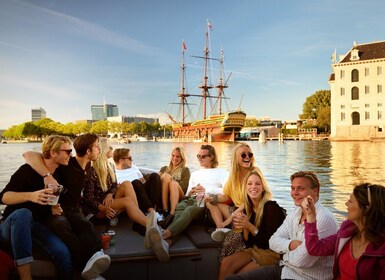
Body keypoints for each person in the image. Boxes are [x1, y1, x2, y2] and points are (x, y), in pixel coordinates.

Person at [23, 133, 111, 280]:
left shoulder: (89, 166)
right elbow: (28, 154)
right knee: (61, 224)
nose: (100, 150)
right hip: (56, 210)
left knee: (85, 225)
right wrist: (47, 176)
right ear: (88, 151)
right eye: (97, 148)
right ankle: (87, 267)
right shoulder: (67, 163)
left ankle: (95, 258)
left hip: (74, 209)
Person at [225, 171, 339, 280]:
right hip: (286, 270)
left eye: (301, 188)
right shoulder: (296, 212)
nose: (295, 193)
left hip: (306, 277)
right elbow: (273, 241)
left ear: (315, 191)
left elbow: (301, 261)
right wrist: (290, 244)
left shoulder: (323, 219)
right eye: (293, 188)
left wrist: (284, 255)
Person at [0, 135, 73, 280]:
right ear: (53, 153)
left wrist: (54, 209)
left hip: (37, 225)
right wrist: (30, 196)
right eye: (68, 151)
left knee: (62, 254)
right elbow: (3, 197)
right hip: (12, 225)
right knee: (23, 213)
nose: (71, 154)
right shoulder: (27, 171)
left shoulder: (59, 173)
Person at [302, 183, 385, 280]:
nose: (346, 204)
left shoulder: (381, 250)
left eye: (350, 201)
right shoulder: (347, 232)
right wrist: (311, 216)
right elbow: (315, 248)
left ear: (367, 208)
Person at [218, 169, 286, 280]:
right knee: (226, 263)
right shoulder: (248, 208)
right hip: (255, 249)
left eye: (257, 184)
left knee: (238, 275)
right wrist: (243, 227)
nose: (253, 187)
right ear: (245, 188)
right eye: (249, 184)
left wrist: (248, 225)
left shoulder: (271, 207)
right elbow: (248, 243)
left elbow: (268, 243)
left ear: (263, 187)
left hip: (272, 253)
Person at [161, 144, 229, 246]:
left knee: (190, 210)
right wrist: (190, 192)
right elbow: (187, 193)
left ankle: (164, 235)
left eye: (203, 156)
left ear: (212, 157)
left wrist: (205, 190)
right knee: (179, 210)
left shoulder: (222, 172)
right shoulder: (195, 174)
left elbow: (226, 191)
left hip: (205, 198)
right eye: (198, 156)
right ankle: (168, 242)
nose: (200, 159)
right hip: (190, 198)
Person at [82, 138, 147, 230]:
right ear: (103, 149)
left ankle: (139, 219)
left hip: (110, 201)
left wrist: (110, 194)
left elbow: (114, 185)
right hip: (99, 208)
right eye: (110, 147)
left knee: (127, 183)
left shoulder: (110, 166)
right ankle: (150, 225)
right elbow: (88, 198)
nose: (112, 149)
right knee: (127, 200)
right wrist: (103, 208)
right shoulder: (92, 169)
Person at [209, 143, 257, 239]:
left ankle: (231, 229)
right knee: (211, 202)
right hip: (237, 210)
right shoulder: (234, 175)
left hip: (251, 211)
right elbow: (226, 196)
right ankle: (221, 228)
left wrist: (229, 219)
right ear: (236, 158)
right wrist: (210, 198)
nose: (247, 157)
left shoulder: (254, 173)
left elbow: (249, 201)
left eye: (250, 154)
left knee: (238, 217)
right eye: (243, 155)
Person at [113, 148, 162, 216]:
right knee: (136, 182)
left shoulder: (134, 167)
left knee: (155, 175)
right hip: (134, 200)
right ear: (121, 160)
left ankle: (154, 210)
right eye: (129, 158)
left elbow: (143, 181)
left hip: (143, 195)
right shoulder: (115, 174)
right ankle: (151, 213)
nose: (132, 160)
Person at [158, 147, 191, 228]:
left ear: (182, 158)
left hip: (179, 194)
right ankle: (165, 210)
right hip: (164, 194)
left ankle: (172, 213)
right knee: (165, 176)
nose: (174, 158)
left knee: (172, 183)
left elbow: (184, 187)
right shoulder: (164, 168)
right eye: (173, 156)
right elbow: (157, 183)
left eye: (178, 156)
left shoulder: (185, 170)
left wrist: (170, 180)